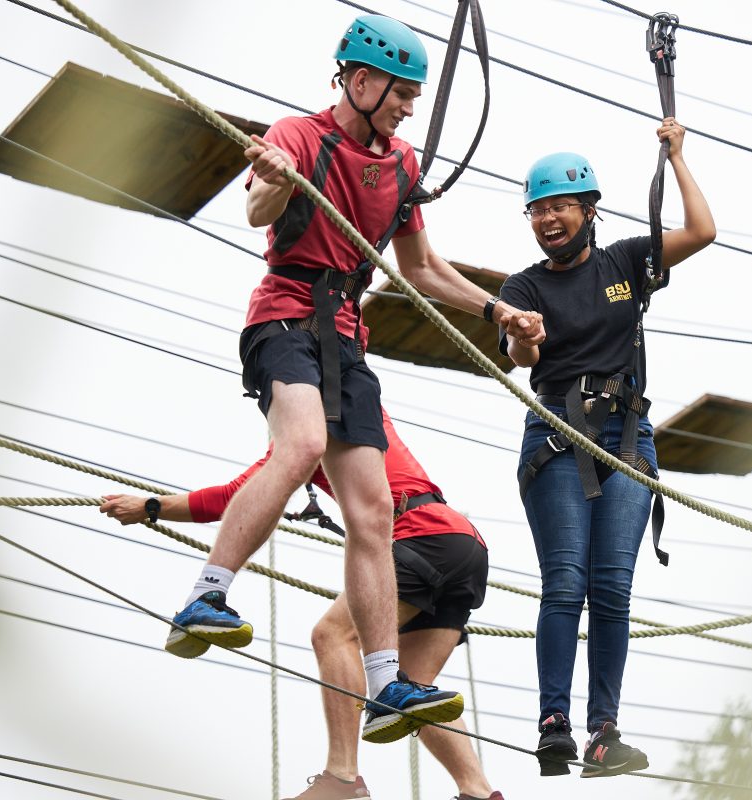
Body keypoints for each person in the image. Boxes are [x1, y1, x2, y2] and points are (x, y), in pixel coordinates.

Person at [162, 12, 544, 746]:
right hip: (285, 320)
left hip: (347, 338)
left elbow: (423, 269)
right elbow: (257, 210)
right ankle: (206, 596)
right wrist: (274, 182)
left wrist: (500, 309)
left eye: (412, 97)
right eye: (401, 93)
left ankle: (384, 684)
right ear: (360, 80)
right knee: (299, 446)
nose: (408, 108)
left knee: (372, 513)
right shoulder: (298, 136)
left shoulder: (401, 166)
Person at [100, 410, 504, 800]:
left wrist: (150, 507)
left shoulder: (313, 427)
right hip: (462, 542)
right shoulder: (362, 411)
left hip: (422, 535)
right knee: (412, 687)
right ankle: (479, 790)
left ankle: (342, 775)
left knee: (331, 635)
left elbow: (233, 498)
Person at [497, 118, 715, 778]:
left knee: (612, 589)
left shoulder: (626, 261)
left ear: (589, 211)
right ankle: (554, 724)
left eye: (561, 206)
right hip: (558, 440)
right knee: (566, 581)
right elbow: (518, 352)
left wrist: (677, 158)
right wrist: (525, 336)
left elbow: (702, 232)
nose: (549, 219)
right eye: (538, 210)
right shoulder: (524, 288)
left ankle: (605, 732)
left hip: (625, 437)